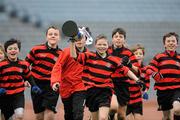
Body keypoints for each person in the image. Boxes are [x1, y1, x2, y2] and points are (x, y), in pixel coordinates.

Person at [70, 34, 143, 120]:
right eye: (99, 44)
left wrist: (137, 80)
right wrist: (72, 42)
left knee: (103, 118)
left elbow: (125, 70)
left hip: (105, 91)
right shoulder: (89, 55)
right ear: (95, 45)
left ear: (107, 46)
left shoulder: (112, 60)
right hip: (91, 91)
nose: (102, 47)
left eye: (104, 44)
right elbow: (74, 56)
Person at [51, 27, 90, 120]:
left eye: (82, 37)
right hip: (66, 88)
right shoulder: (66, 52)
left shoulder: (89, 55)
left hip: (81, 88)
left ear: (86, 39)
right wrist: (55, 81)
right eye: (77, 38)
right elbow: (57, 66)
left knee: (78, 113)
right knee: (69, 115)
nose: (79, 40)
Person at [25, 26, 62, 120]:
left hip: (52, 85)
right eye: (50, 34)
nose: (53, 36)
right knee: (39, 115)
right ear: (46, 37)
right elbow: (25, 65)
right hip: (36, 84)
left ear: (59, 37)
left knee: (50, 113)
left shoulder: (62, 54)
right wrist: (26, 79)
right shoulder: (36, 49)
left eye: (55, 34)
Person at [0, 39, 41, 120]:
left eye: (15, 48)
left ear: (19, 50)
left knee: (19, 115)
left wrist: (34, 86)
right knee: (6, 117)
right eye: (10, 49)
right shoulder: (1, 65)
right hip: (4, 95)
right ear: (6, 51)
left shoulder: (23, 64)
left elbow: (28, 76)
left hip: (18, 94)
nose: (13, 51)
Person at [107, 28, 140, 120]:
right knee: (113, 108)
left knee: (121, 116)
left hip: (123, 84)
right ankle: (110, 116)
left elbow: (137, 71)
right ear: (112, 39)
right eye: (116, 36)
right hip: (110, 83)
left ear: (124, 39)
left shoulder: (128, 53)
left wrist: (130, 64)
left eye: (121, 37)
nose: (118, 39)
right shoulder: (107, 51)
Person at [146, 32, 180, 120]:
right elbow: (148, 69)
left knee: (177, 109)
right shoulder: (159, 57)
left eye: (173, 41)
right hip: (163, 91)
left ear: (177, 44)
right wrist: (154, 74)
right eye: (168, 41)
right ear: (164, 44)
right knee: (166, 117)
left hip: (177, 89)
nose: (171, 43)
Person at [126, 44, 150, 120]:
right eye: (136, 54)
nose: (138, 55)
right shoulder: (127, 69)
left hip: (137, 100)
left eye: (140, 54)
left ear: (143, 56)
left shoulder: (145, 69)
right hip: (126, 99)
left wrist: (145, 91)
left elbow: (147, 82)